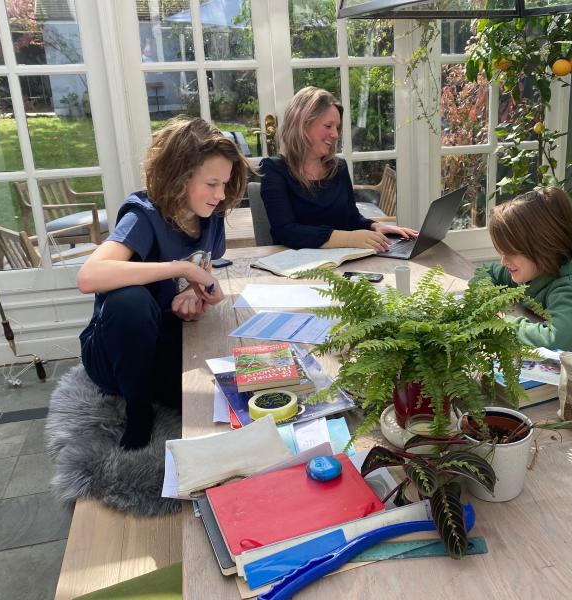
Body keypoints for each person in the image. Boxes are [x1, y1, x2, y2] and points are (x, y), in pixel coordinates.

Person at [77, 117, 251, 450]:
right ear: (179, 177)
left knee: (223, 398)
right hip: (113, 355)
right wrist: (180, 269)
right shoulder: (143, 216)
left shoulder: (209, 215)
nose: (221, 194)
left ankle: (152, 391)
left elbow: (201, 268)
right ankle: (137, 412)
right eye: (212, 183)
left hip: (161, 341)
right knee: (130, 301)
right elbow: (88, 276)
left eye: (226, 184)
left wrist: (191, 293)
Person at [260, 86, 416, 251]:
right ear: (302, 125)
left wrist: (374, 226)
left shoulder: (338, 168)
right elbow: (285, 231)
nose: (335, 134)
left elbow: (351, 218)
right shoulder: (273, 170)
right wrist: (349, 238)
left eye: (337, 127)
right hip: (300, 271)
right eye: (328, 126)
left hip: (344, 264)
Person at [474, 186, 572, 351]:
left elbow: (553, 340)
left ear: (543, 247)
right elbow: (486, 273)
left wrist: (500, 321)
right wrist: (486, 302)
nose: (503, 261)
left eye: (510, 252)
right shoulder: (533, 270)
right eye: (502, 252)